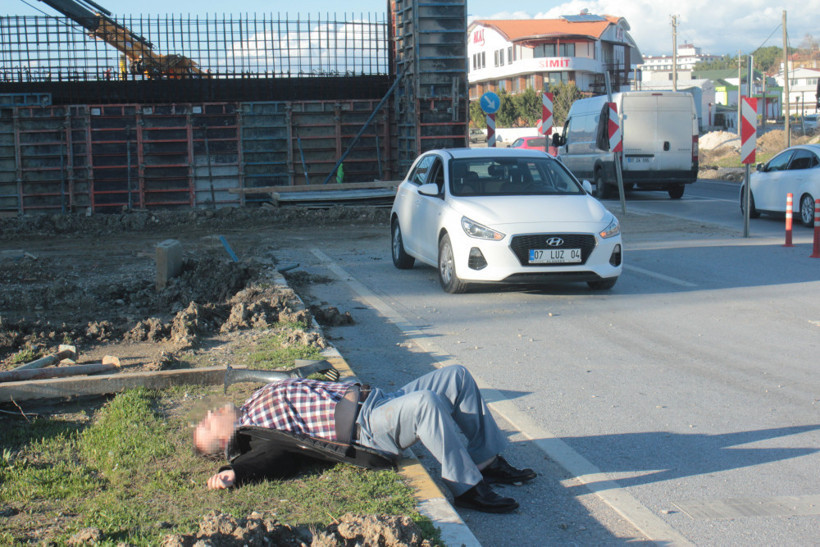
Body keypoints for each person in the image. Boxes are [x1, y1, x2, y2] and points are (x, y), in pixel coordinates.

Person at [194, 365, 536, 513]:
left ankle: (485, 460)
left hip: (379, 398)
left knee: (456, 376)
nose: (208, 415)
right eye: (207, 425)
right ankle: (467, 489)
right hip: (368, 427)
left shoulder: (252, 401)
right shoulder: (256, 434)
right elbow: (271, 459)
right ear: (224, 440)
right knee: (426, 405)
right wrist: (236, 473)